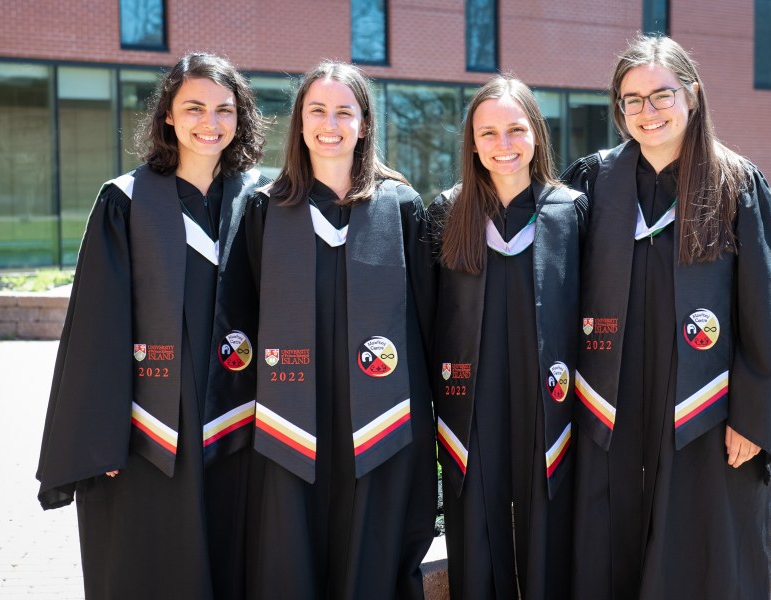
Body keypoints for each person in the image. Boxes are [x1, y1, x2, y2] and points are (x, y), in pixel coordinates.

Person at [562, 35, 771, 599]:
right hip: (612, 396)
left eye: (661, 96)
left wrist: (752, 415)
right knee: (609, 538)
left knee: (706, 545)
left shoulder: (735, 184)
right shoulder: (596, 182)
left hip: (707, 402)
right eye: (631, 100)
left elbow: (766, 307)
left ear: (692, 97)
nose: (647, 112)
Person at [36, 52, 268, 600]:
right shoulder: (127, 202)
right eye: (194, 108)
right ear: (168, 114)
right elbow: (96, 329)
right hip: (153, 424)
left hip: (247, 421)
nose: (210, 123)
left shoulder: (264, 199)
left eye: (224, 110)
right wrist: (101, 442)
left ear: (241, 118)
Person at [244, 61, 437, 600]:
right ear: (300, 123)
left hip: (382, 417)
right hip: (290, 415)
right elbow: (248, 311)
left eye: (344, 111)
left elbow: (427, 319)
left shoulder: (400, 207)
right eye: (317, 110)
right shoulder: (265, 208)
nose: (330, 123)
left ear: (364, 122)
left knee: (374, 551)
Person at [432, 75, 584, 599]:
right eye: (488, 133)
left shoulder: (571, 211)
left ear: (536, 134)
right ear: (472, 142)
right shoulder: (448, 212)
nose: (503, 145)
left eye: (516, 129)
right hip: (470, 402)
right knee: (476, 522)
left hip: (549, 399)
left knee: (550, 519)